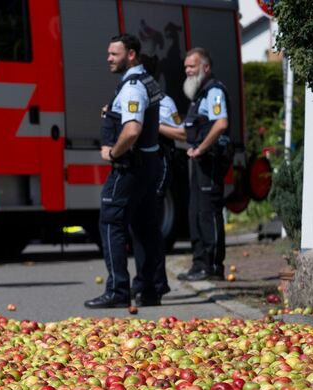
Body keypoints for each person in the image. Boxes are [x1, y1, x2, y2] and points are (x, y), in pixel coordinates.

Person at [85, 33, 164, 309]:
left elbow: (132, 130)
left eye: (114, 54)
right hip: (147, 166)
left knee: (111, 222)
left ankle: (118, 290)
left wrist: (113, 152)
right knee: (145, 228)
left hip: (130, 166)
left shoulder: (132, 87)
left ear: (131, 54)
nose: (108, 58)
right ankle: (149, 289)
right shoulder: (144, 82)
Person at [173, 47, 232, 281]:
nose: (187, 70)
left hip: (212, 157)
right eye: (186, 66)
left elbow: (221, 124)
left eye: (192, 66)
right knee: (195, 210)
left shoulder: (214, 91)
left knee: (208, 211)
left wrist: (202, 148)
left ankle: (213, 266)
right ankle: (199, 264)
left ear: (205, 68)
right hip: (201, 159)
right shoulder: (199, 95)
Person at [130, 55, 183, 301]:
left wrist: (150, 124)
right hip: (139, 167)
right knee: (139, 228)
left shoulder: (163, 101)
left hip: (158, 164)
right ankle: (144, 281)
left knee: (151, 227)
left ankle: (156, 284)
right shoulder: (132, 94)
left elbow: (181, 133)